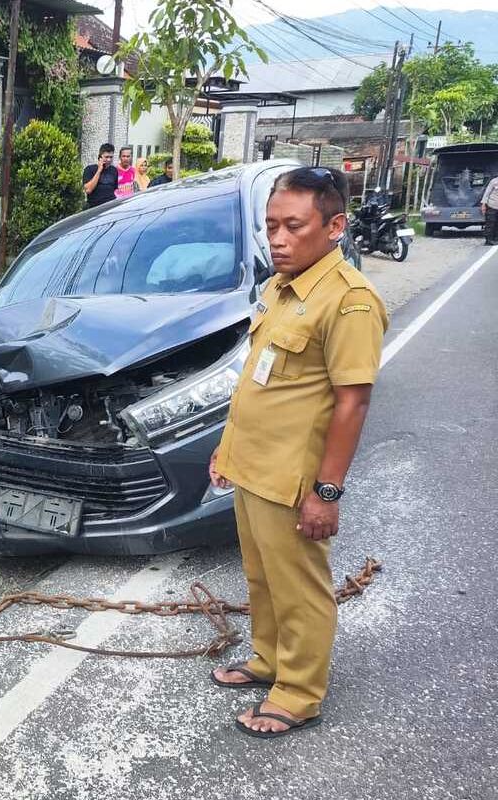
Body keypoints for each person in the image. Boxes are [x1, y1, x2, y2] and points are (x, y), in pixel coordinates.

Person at [208, 166, 388, 738]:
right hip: (252, 466)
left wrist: (326, 493)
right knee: (262, 578)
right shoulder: (279, 289)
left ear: (335, 226)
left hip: (292, 478)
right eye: (271, 227)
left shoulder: (350, 301)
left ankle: (300, 691)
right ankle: (270, 658)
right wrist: (225, 449)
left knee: (300, 587)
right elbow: (260, 384)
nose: (278, 240)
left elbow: (352, 403)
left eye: (293, 226)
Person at [82, 143, 118, 208]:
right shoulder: (89, 169)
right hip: (95, 208)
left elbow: (114, 189)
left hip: (110, 207)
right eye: (106, 157)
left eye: (111, 157)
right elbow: (88, 190)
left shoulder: (114, 170)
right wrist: (99, 170)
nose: (109, 160)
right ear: (100, 157)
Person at [480, 174, 498, 245]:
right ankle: (488, 240)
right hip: (492, 205)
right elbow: (486, 193)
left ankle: (496, 238)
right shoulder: (494, 181)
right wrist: (483, 205)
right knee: (491, 223)